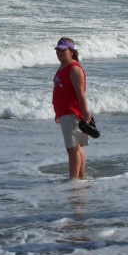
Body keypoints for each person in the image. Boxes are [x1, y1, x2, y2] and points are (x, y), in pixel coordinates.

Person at [52, 37, 92, 180]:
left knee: (72, 148)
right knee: (77, 146)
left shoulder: (74, 68)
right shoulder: (63, 66)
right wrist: (58, 112)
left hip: (72, 112)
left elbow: (80, 93)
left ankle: (73, 180)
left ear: (72, 51)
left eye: (63, 50)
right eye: (58, 49)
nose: (59, 52)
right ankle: (80, 178)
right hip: (65, 112)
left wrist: (85, 111)